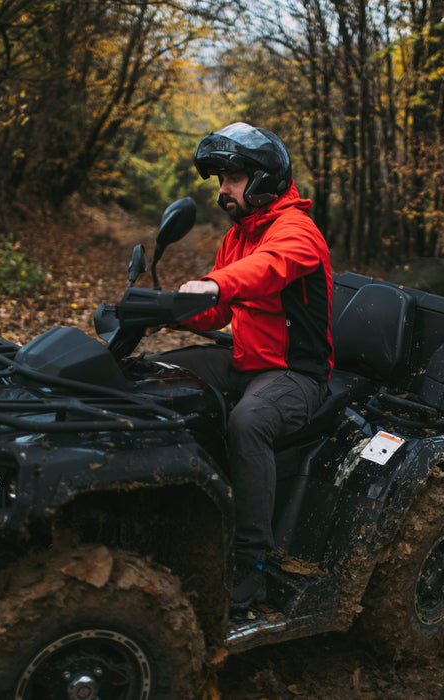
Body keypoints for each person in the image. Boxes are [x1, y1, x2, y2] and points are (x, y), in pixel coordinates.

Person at [159, 122, 333, 613]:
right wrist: (168, 311)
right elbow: (216, 312)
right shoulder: (238, 235)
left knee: (249, 421)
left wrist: (216, 286)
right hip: (244, 359)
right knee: (155, 379)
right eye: (220, 181)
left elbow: (268, 268)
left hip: (296, 374)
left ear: (262, 178)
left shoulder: (298, 232)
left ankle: (251, 565)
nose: (223, 191)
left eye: (232, 178)